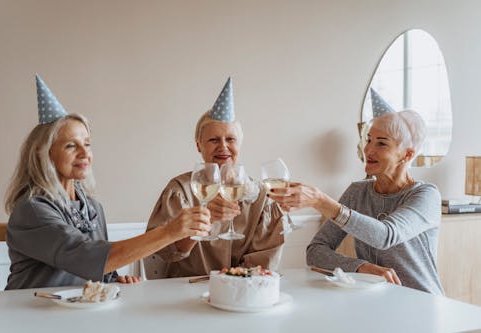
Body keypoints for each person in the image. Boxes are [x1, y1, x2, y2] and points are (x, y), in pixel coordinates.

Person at [4, 75, 211, 290]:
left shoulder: (93, 207)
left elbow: (102, 270)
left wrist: (114, 279)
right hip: (31, 312)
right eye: (70, 146)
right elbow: (87, 258)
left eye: (87, 143)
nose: (85, 153)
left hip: (76, 313)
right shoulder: (32, 210)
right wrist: (169, 231)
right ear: (43, 153)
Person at [270, 109, 444, 294]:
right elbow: (315, 252)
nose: (368, 149)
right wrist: (361, 267)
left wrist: (321, 201)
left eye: (382, 144)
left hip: (421, 301)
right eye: (369, 140)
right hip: (377, 302)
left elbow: (385, 236)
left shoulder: (426, 195)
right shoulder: (357, 192)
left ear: (407, 155)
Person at [144, 78, 285, 278]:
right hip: (185, 292)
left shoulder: (260, 197)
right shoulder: (179, 191)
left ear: (240, 144)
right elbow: (163, 251)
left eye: (230, 139)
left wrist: (229, 285)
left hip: (242, 292)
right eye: (213, 140)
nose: (223, 147)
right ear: (199, 145)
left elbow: (264, 262)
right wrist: (203, 220)